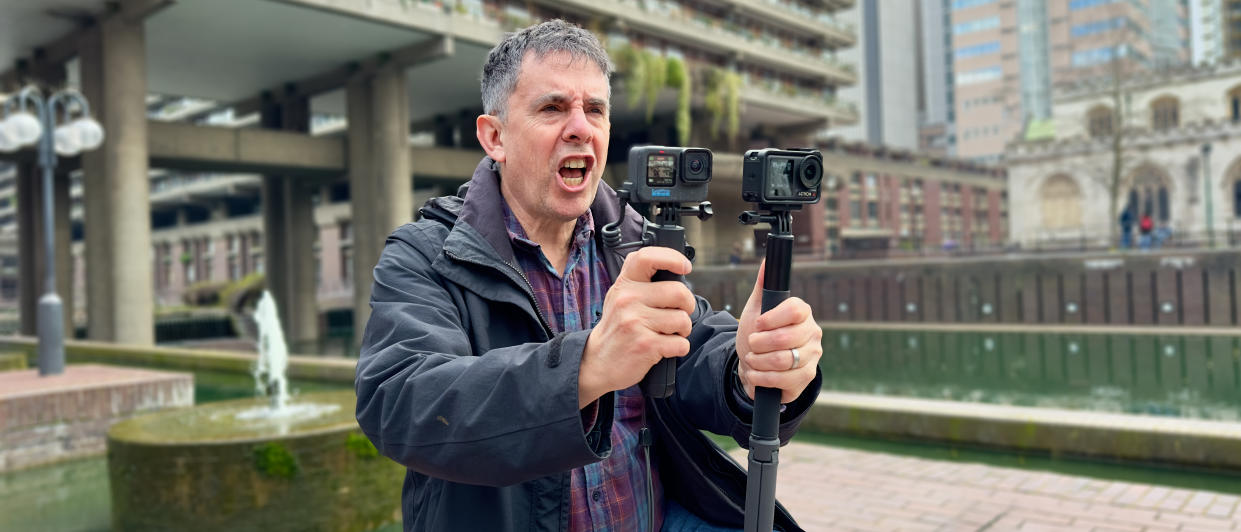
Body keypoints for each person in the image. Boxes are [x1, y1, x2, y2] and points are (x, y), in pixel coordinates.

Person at [354, 20, 823, 532]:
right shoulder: (425, 253)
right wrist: (587, 367)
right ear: (495, 137)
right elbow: (400, 402)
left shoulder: (633, 237)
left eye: (595, 109)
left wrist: (750, 366)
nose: (581, 127)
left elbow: (691, 346)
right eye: (552, 108)